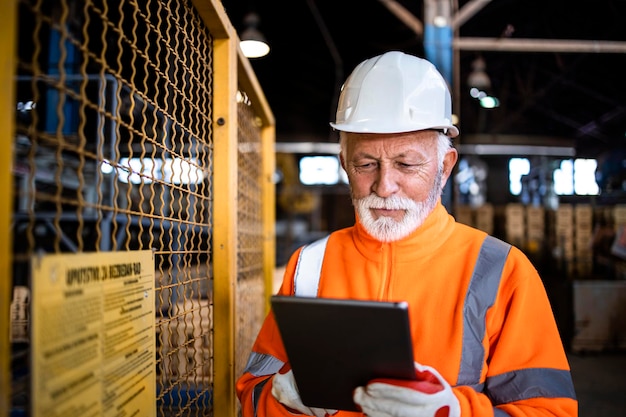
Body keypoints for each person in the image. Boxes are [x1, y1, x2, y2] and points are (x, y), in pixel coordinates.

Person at [236, 51, 578, 417]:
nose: (385, 186)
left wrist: (457, 412)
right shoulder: (308, 266)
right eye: (366, 164)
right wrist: (282, 398)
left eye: (407, 164)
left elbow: (548, 411)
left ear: (444, 167)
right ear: (344, 166)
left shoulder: (501, 271)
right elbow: (252, 395)